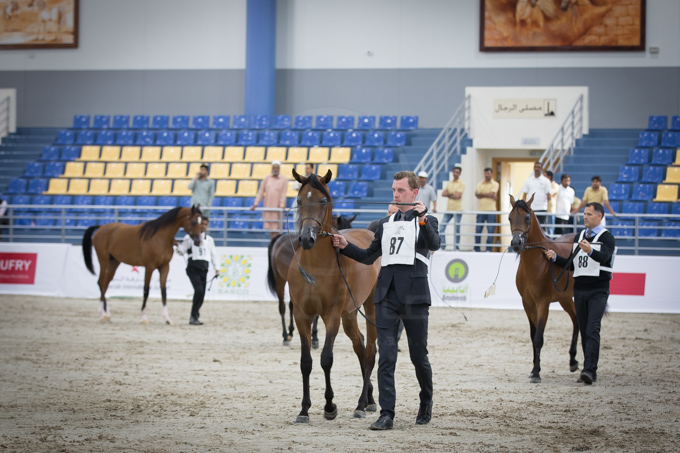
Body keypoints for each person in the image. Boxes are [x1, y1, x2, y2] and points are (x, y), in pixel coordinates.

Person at [331, 171, 440, 431]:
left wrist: (423, 219)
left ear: (414, 193)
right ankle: (386, 413)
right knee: (386, 357)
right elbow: (369, 256)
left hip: (415, 297)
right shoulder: (385, 223)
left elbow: (434, 244)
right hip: (386, 296)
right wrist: (345, 245)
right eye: (393, 190)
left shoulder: (427, 220)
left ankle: (426, 402)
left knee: (418, 356)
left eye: (401, 190)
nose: (395, 194)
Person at [543, 202, 616, 385]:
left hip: (598, 290)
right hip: (580, 290)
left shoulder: (607, 237)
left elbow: (604, 257)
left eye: (589, 214)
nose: (585, 217)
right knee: (584, 330)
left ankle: (590, 370)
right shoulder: (580, 236)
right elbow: (572, 264)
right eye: (584, 214)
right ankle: (587, 369)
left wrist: (590, 250)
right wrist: (556, 258)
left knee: (592, 328)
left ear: (599, 216)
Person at [177, 216, 220, 325]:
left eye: (206, 224)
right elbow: (182, 251)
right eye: (202, 224)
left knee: (202, 294)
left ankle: (195, 316)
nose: (204, 226)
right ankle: (193, 316)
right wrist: (177, 245)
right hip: (193, 268)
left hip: (204, 269)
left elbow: (213, 254)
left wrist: (217, 268)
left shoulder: (209, 240)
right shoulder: (189, 237)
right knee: (199, 290)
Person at [250, 160, 288, 239]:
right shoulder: (267, 178)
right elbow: (261, 192)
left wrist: (282, 206)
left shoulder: (283, 179)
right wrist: (256, 203)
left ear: (279, 168)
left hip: (278, 208)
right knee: (270, 228)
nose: (275, 169)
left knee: (277, 228)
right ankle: (273, 242)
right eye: (274, 167)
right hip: (268, 207)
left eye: (277, 168)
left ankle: (276, 243)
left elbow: (283, 194)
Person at [520, 162, 551, 230]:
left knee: (541, 228)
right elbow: (524, 195)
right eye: (535, 167)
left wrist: (548, 199)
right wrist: (523, 206)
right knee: (530, 228)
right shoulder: (528, 180)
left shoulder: (546, 181)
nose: (537, 169)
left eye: (538, 167)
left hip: (542, 208)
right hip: (530, 208)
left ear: (542, 169)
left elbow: (549, 196)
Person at [474, 167, 499, 252]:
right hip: (481, 210)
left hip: (491, 211)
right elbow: (476, 194)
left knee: (490, 231)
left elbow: (491, 194)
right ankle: (476, 249)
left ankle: (489, 249)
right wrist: (488, 194)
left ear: (491, 174)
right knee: (478, 230)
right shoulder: (480, 183)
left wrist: (481, 194)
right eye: (485, 173)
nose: (486, 175)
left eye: (488, 173)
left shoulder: (495, 184)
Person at [440, 166, 465, 251]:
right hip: (449, 209)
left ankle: (456, 247)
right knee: (442, 226)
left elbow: (458, 196)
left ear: (460, 174)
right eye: (454, 172)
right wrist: (453, 194)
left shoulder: (461, 183)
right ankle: (443, 246)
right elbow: (443, 194)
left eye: (457, 172)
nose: (455, 174)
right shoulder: (450, 183)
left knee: (457, 229)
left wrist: (449, 194)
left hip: (458, 209)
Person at [544, 170, 559, 236]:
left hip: (551, 210)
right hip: (543, 209)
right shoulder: (544, 185)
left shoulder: (555, 185)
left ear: (549, 177)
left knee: (550, 229)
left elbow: (549, 194)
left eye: (545, 176)